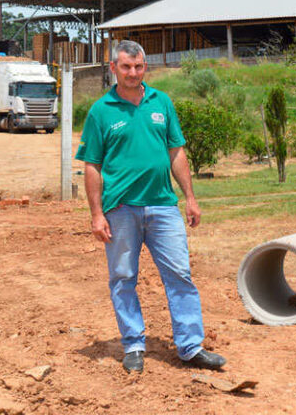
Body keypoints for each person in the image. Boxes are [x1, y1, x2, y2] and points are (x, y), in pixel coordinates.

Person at [75, 40, 226, 374]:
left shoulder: (162, 102)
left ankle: (190, 347)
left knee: (180, 276)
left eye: (139, 66)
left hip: (163, 207)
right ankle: (133, 345)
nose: (133, 73)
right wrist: (96, 214)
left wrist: (190, 196)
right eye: (126, 66)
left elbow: (176, 152)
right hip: (120, 209)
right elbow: (91, 166)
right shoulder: (101, 111)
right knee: (123, 277)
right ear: (113, 68)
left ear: (146, 67)